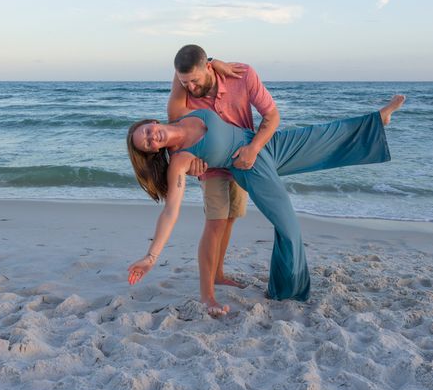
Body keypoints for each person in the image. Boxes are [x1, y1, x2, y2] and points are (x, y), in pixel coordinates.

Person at [126, 94, 406, 311]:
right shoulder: (180, 160)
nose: (152, 137)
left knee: (317, 135)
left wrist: (213, 63)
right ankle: (288, 290)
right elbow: (171, 211)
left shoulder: (179, 113)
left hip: (262, 143)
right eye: (148, 144)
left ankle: (377, 120)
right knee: (288, 226)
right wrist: (151, 256)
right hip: (252, 167)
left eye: (147, 132)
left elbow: (183, 67)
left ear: (151, 122)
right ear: (154, 152)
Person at [165, 45, 280, 316]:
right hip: (212, 167)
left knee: (230, 217)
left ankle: (218, 273)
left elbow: (272, 116)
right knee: (215, 222)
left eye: (195, 80)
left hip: (242, 161)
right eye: (185, 82)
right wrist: (189, 164)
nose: (191, 87)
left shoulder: (241, 75)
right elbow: (176, 131)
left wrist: (254, 149)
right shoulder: (182, 93)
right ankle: (207, 295)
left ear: (208, 68)